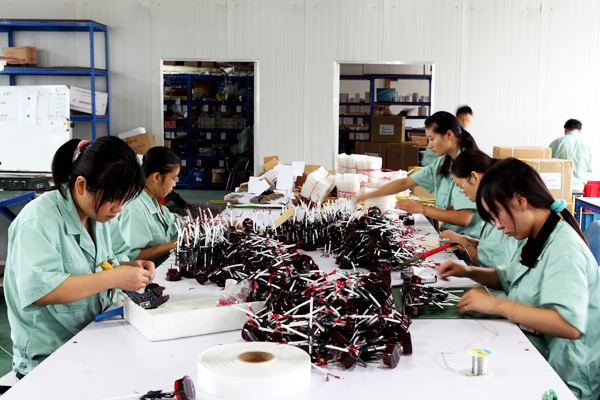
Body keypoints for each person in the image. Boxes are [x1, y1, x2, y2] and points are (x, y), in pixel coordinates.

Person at [438, 158, 600, 399]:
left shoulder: (564, 251)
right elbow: (508, 276)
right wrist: (467, 271)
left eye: (498, 215)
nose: (498, 226)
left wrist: (498, 306)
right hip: (535, 354)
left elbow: (569, 325)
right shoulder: (537, 236)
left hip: (564, 378)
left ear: (520, 201)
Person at [4, 137, 156, 377]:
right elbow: (41, 291)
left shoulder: (98, 216)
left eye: (124, 200)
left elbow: (101, 263)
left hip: (90, 340)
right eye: (114, 198)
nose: (119, 209)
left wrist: (128, 266)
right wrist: (115, 277)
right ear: (82, 185)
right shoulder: (38, 221)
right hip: (49, 359)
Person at [354, 111, 484, 238]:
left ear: (449, 134)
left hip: (469, 242)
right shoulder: (444, 162)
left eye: (432, 139)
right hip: (449, 236)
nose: (430, 146)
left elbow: (464, 218)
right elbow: (405, 182)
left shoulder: (470, 165)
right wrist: (367, 195)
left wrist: (422, 208)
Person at [440, 149, 522, 267]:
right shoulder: (490, 202)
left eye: (461, 186)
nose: (464, 193)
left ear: (474, 176)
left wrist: (461, 242)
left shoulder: (499, 205)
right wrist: (472, 242)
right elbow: (495, 248)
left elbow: (493, 266)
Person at [115, 146, 182, 261]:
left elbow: (171, 221)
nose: (174, 184)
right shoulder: (133, 209)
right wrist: (175, 244)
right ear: (157, 177)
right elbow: (130, 257)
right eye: (173, 178)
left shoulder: (152, 200)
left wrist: (193, 225)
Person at [549, 119, 593, 194]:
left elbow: (547, 165)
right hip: (578, 187)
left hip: (558, 186)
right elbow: (589, 169)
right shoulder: (588, 145)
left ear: (565, 130)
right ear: (579, 131)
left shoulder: (556, 143)